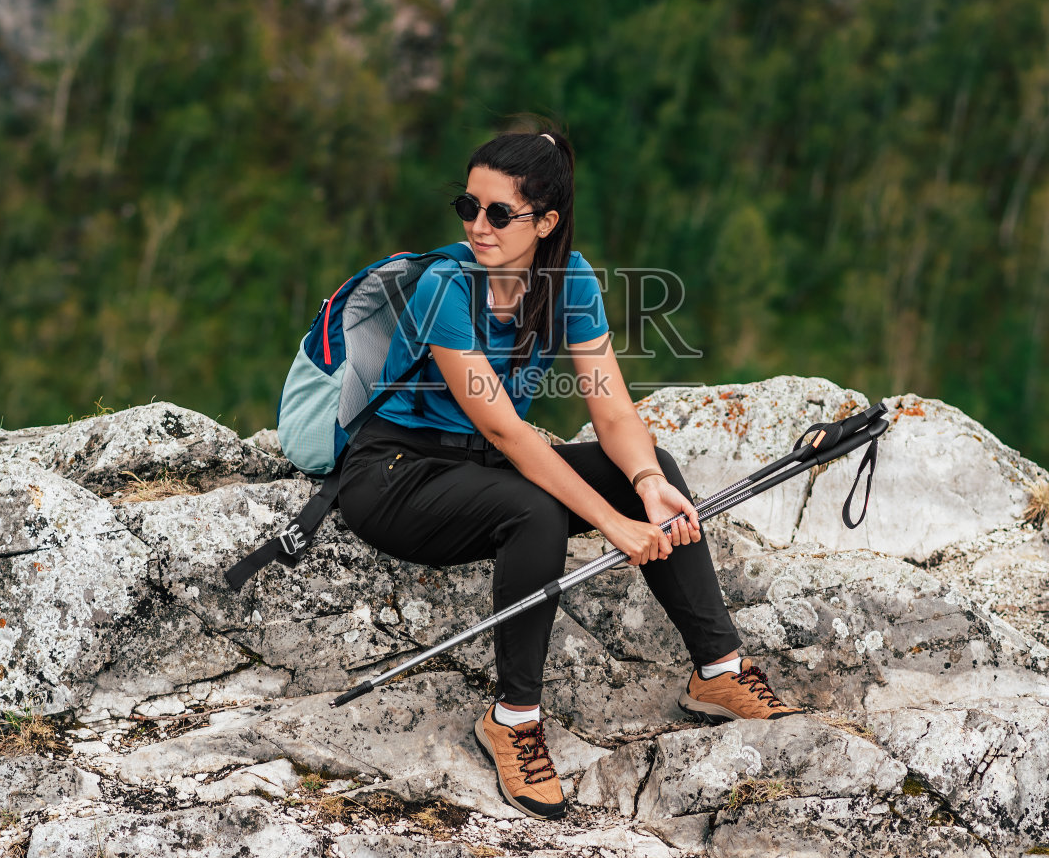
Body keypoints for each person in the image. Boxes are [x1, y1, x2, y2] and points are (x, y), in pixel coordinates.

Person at [335, 126, 799, 822]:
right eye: (468, 206)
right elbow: (502, 426)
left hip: (486, 469)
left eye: (499, 213)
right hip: (396, 473)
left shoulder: (571, 279)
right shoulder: (444, 286)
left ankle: (719, 673)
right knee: (537, 511)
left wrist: (642, 485)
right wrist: (613, 525)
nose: (477, 225)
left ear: (546, 221)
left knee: (656, 467)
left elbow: (612, 413)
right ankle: (512, 720)